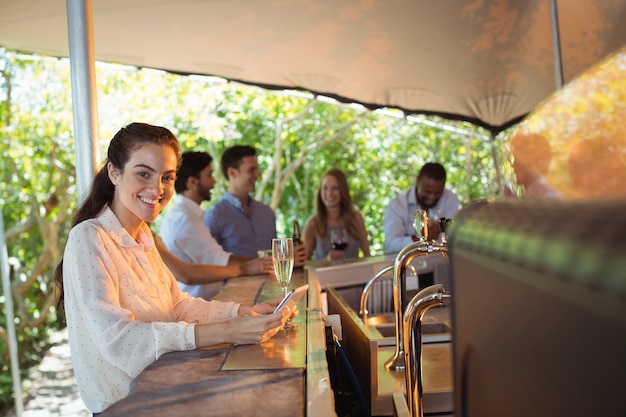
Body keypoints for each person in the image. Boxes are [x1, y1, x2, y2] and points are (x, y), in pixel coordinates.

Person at [53, 123, 287, 415]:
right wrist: (229, 330)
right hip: (126, 407)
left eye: (166, 177)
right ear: (114, 172)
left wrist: (242, 313)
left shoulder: (143, 235)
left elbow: (176, 306)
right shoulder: (89, 237)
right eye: (143, 173)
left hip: (165, 388)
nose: (157, 188)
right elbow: (120, 341)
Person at [159, 151, 273, 300]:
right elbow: (218, 259)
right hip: (197, 305)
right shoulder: (184, 218)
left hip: (208, 300)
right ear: (193, 182)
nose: (214, 182)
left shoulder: (191, 214)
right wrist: (272, 263)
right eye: (209, 175)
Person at [204, 144, 307, 265]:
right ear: (232, 173)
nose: (257, 175)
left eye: (256, 169)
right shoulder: (214, 216)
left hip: (273, 283)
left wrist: (290, 255)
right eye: (251, 170)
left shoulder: (266, 212)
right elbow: (211, 262)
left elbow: (275, 257)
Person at [384, 162, 460, 253]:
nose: (432, 197)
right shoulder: (397, 205)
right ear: (417, 181)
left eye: (437, 193)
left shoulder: (450, 199)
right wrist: (419, 238)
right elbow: (391, 244)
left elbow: (456, 238)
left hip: (440, 262)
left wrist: (441, 230)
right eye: (427, 192)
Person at [302, 168, 370, 260]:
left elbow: (367, 256)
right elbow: (303, 264)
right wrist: (327, 261)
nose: (329, 193)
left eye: (335, 188)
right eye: (325, 188)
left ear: (343, 190)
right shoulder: (313, 223)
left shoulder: (356, 219)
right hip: (324, 275)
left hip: (355, 274)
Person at [509, 132, 561, 199]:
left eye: (517, 161)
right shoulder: (534, 195)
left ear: (532, 163)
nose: (513, 165)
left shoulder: (546, 197)